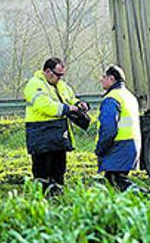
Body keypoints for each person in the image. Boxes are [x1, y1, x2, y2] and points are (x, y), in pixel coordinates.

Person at [23, 57, 89, 191]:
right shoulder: (34, 84)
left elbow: (70, 98)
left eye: (62, 75)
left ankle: (57, 197)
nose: (60, 78)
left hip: (57, 135)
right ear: (47, 71)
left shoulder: (61, 85)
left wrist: (79, 104)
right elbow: (44, 105)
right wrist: (67, 109)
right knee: (43, 172)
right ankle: (42, 201)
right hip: (41, 134)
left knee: (59, 170)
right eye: (58, 74)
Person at [95, 65, 142, 192]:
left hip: (118, 145)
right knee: (115, 181)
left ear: (111, 79)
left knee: (117, 183)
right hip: (131, 145)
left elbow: (109, 129)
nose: (101, 80)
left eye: (104, 77)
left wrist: (100, 148)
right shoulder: (129, 96)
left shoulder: (112, 98)